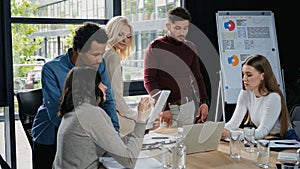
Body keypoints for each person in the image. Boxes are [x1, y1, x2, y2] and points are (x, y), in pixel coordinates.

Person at [31, 22, 119, 169]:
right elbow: (56, 112)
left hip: (85, 134)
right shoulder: (52, 69)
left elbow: (108, 100)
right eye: (95, 54)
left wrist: (114, 135)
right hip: (50, 136)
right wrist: (90, 135)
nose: (99, 59)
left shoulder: (100, 64)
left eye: (102, 54)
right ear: (78, 50)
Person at [52, 67, 151, 169]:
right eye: (100, 82)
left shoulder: (73, 113)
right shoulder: (91, 113)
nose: (105, 87)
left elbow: (113, 147)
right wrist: (141, 119)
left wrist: (141, 130)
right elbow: (129, 160)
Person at [144, 7, 210, 128]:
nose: (182, 32)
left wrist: (204, 102)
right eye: (178, 28)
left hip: (188, 107)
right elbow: (149, 81)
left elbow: (197, 77)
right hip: (167, 109)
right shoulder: (155, 47)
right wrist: (164, 107)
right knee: (165, 145)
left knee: (187, 145)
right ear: (168, 26)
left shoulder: (190, 47)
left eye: (185, 28)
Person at [221, 54, 300, 141]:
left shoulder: (273, 97)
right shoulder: (245, 93)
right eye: (243, 74)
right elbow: (234, 123)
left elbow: (262, 131)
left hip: (284, 140)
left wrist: (230, 134)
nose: (244, 79)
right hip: (267, 139)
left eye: (249, 75)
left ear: (262, 76)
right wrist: (218, 130)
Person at [104, 16, 137, 135]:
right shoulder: (112, 57)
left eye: (128, 36)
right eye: (120, 34)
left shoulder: (105, 53)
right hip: (107, 113)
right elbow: (116, 97)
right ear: (111, 33)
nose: (125, 40)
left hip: (100, 113)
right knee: (137, 127)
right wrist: (136, 115)